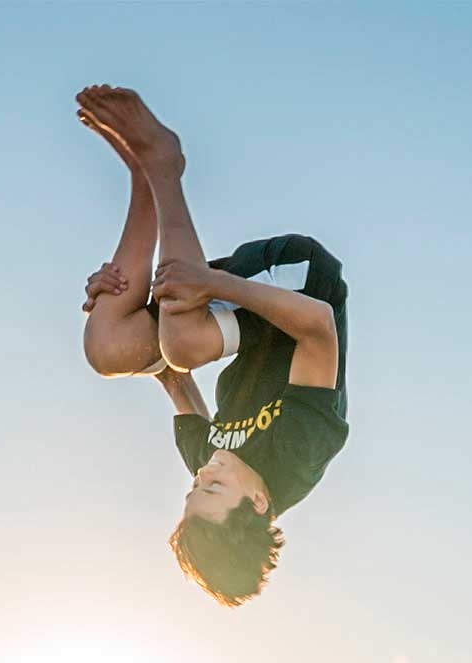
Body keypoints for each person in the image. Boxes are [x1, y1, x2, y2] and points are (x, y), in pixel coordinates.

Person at [76, 86, 349, 608]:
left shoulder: (209, 460)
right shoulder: (299, 453)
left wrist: (117, 311)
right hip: (297, 289)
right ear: (260, 501)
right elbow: (318, 326)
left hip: (228, 316)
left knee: (107, 349)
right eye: (213, 490)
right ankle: (164, 165)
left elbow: (170, 375)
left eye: (192, 490)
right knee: (183, 341)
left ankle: (141, 180)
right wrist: (211, 285)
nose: (202, 476)